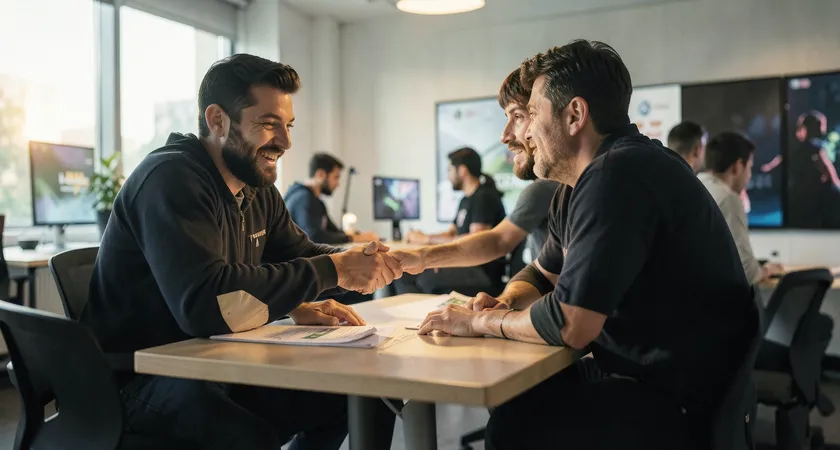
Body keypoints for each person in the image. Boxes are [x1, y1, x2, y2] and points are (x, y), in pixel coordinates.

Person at [416, 40, 756, 449]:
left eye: (533, 114)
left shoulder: (618, 174)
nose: (523, 133)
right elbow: (541, 273)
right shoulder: (582, 183)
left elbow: (571, 323)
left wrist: (480, 322)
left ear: (574, 115)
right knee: (519, 398)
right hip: (658, 377)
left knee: (516, 424)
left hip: (681, 401)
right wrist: (507, 303)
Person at [81, 54, 400, 450]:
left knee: (369, 392)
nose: (285, 141)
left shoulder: (257, 189)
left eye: (288, 125)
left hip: (215, 361)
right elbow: (206, 303)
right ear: (217, 121)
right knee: (247, 434)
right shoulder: (171, 178)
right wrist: (331, 271)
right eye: (269, 124)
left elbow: (300, 255)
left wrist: (368, 260)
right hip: (135, 378)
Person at [393, 68, 560, 276]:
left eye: (519, 116)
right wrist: (506, 302)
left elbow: (498, 241)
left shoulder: (541, 189)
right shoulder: (560, 192)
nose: (505, 136)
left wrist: (424, 252)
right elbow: (543, 277)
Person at [394, 147, 508, 296]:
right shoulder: (466, 200)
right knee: (403, 272)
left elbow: (475, 242)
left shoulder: (484, 197)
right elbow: (451, 233)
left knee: (422, 279)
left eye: (449, 170)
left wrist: (428, 241)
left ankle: (421, 317)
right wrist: (424, 238)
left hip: (482, 272)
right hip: (466, 264)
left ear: (462, 170)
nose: (448, 177)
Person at [698, 132, 783, 283]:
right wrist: (766, 271)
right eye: (749, 167)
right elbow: (746, 271)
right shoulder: (728, 199)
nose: (749, 175)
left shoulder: (697, 185)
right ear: (737, 167)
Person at [285, 152, 378, 244]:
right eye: (336, 177)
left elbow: (334, 231)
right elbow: (313, 237)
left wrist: (359, 236)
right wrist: (352, 238)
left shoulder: (317, 202)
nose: (338, 184)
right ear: (320, 174)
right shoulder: (303, 198)